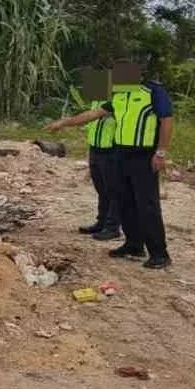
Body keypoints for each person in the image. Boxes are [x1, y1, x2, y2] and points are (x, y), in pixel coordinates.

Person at [45, 65, 174, 269]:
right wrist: (64, 122)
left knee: (147, 205)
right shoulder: (119, 98)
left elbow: (167, 120)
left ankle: (159, 254)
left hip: (144, 155)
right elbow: (93, 114)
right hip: (121, 153)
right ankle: (133, 244)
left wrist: (161, 152)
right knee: (124, 200)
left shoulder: (153, 92)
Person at [79, 96, 122, 241]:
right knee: (101, 189)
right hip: (96, 148)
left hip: (111, 149)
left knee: (113, 190)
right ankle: (102, 222)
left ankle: (112, 227)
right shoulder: (97, 98)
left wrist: (63, 123)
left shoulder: (119, 98)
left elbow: (91, 116)